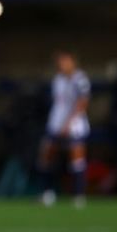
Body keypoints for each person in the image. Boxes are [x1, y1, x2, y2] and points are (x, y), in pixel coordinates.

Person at [38, 50, 90, 208]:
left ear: (73, 62)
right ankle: (48, 194)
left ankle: (79, 196)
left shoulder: (80, 79)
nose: (62, 65)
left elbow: (83, 102)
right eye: (60, 62)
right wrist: (57, 123)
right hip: (55, 124)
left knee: (76, 159)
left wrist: (69, 123)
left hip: (75, 125)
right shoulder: (57, 80)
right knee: (47, 156)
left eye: (65, 61)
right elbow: (58, 103)